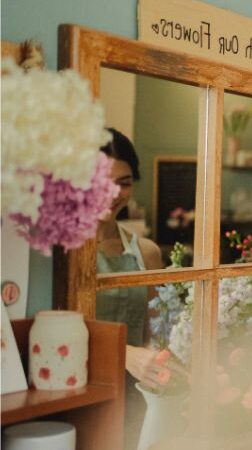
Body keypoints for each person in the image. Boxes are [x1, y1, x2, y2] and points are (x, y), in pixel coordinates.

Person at [96, 128, 180, 448]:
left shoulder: (146, 252)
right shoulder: (59, 253)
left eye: (125, 183)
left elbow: (156, 329)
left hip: (136, 399)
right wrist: (124, 353)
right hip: (78, 393)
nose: (114, 193)